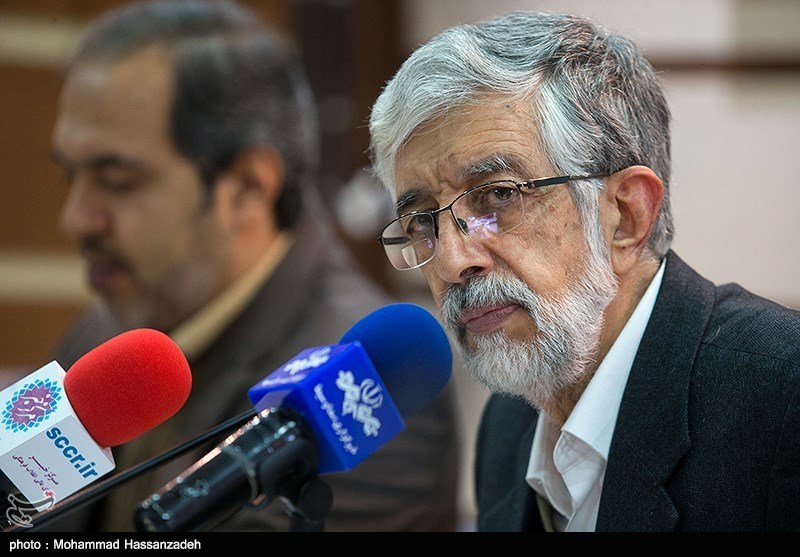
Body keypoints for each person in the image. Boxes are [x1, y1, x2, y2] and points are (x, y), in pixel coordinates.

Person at [368, 11, 800, 532]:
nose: (454, 261)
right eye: (422, 222)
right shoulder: (507, 427)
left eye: (498, 196)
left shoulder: (782, 398)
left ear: (626, 216)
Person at [45, 0, 459, 532]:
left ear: (248, 187)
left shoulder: (366, 381)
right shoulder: (108, 332)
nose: (75, 218)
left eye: (117, 181)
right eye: (70, 176)